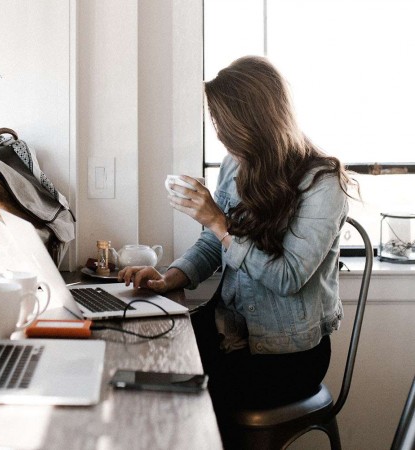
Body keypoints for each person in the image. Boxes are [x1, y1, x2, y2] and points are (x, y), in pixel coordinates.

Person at [118, 55, 355, 443]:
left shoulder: (323, 183)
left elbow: (288, 278)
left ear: (255, 121)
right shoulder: (236, 165)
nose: (221, 135)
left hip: (288, 355)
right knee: (144, 354)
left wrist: (218, 220)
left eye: (224, 124)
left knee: (187, 397)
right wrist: (168, 278)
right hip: (229, 329)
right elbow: (214, 243)